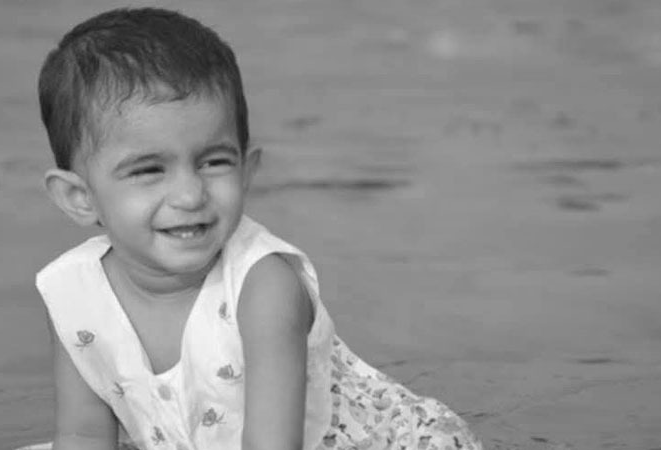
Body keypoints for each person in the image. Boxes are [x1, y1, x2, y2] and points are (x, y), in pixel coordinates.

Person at [24, 7, 482, 450]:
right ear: (79, 197)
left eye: (214, 162)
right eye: (148, 170)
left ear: (246, 170)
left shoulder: (263, 286)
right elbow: (83, 437)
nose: (190, 195)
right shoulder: (73, 293)